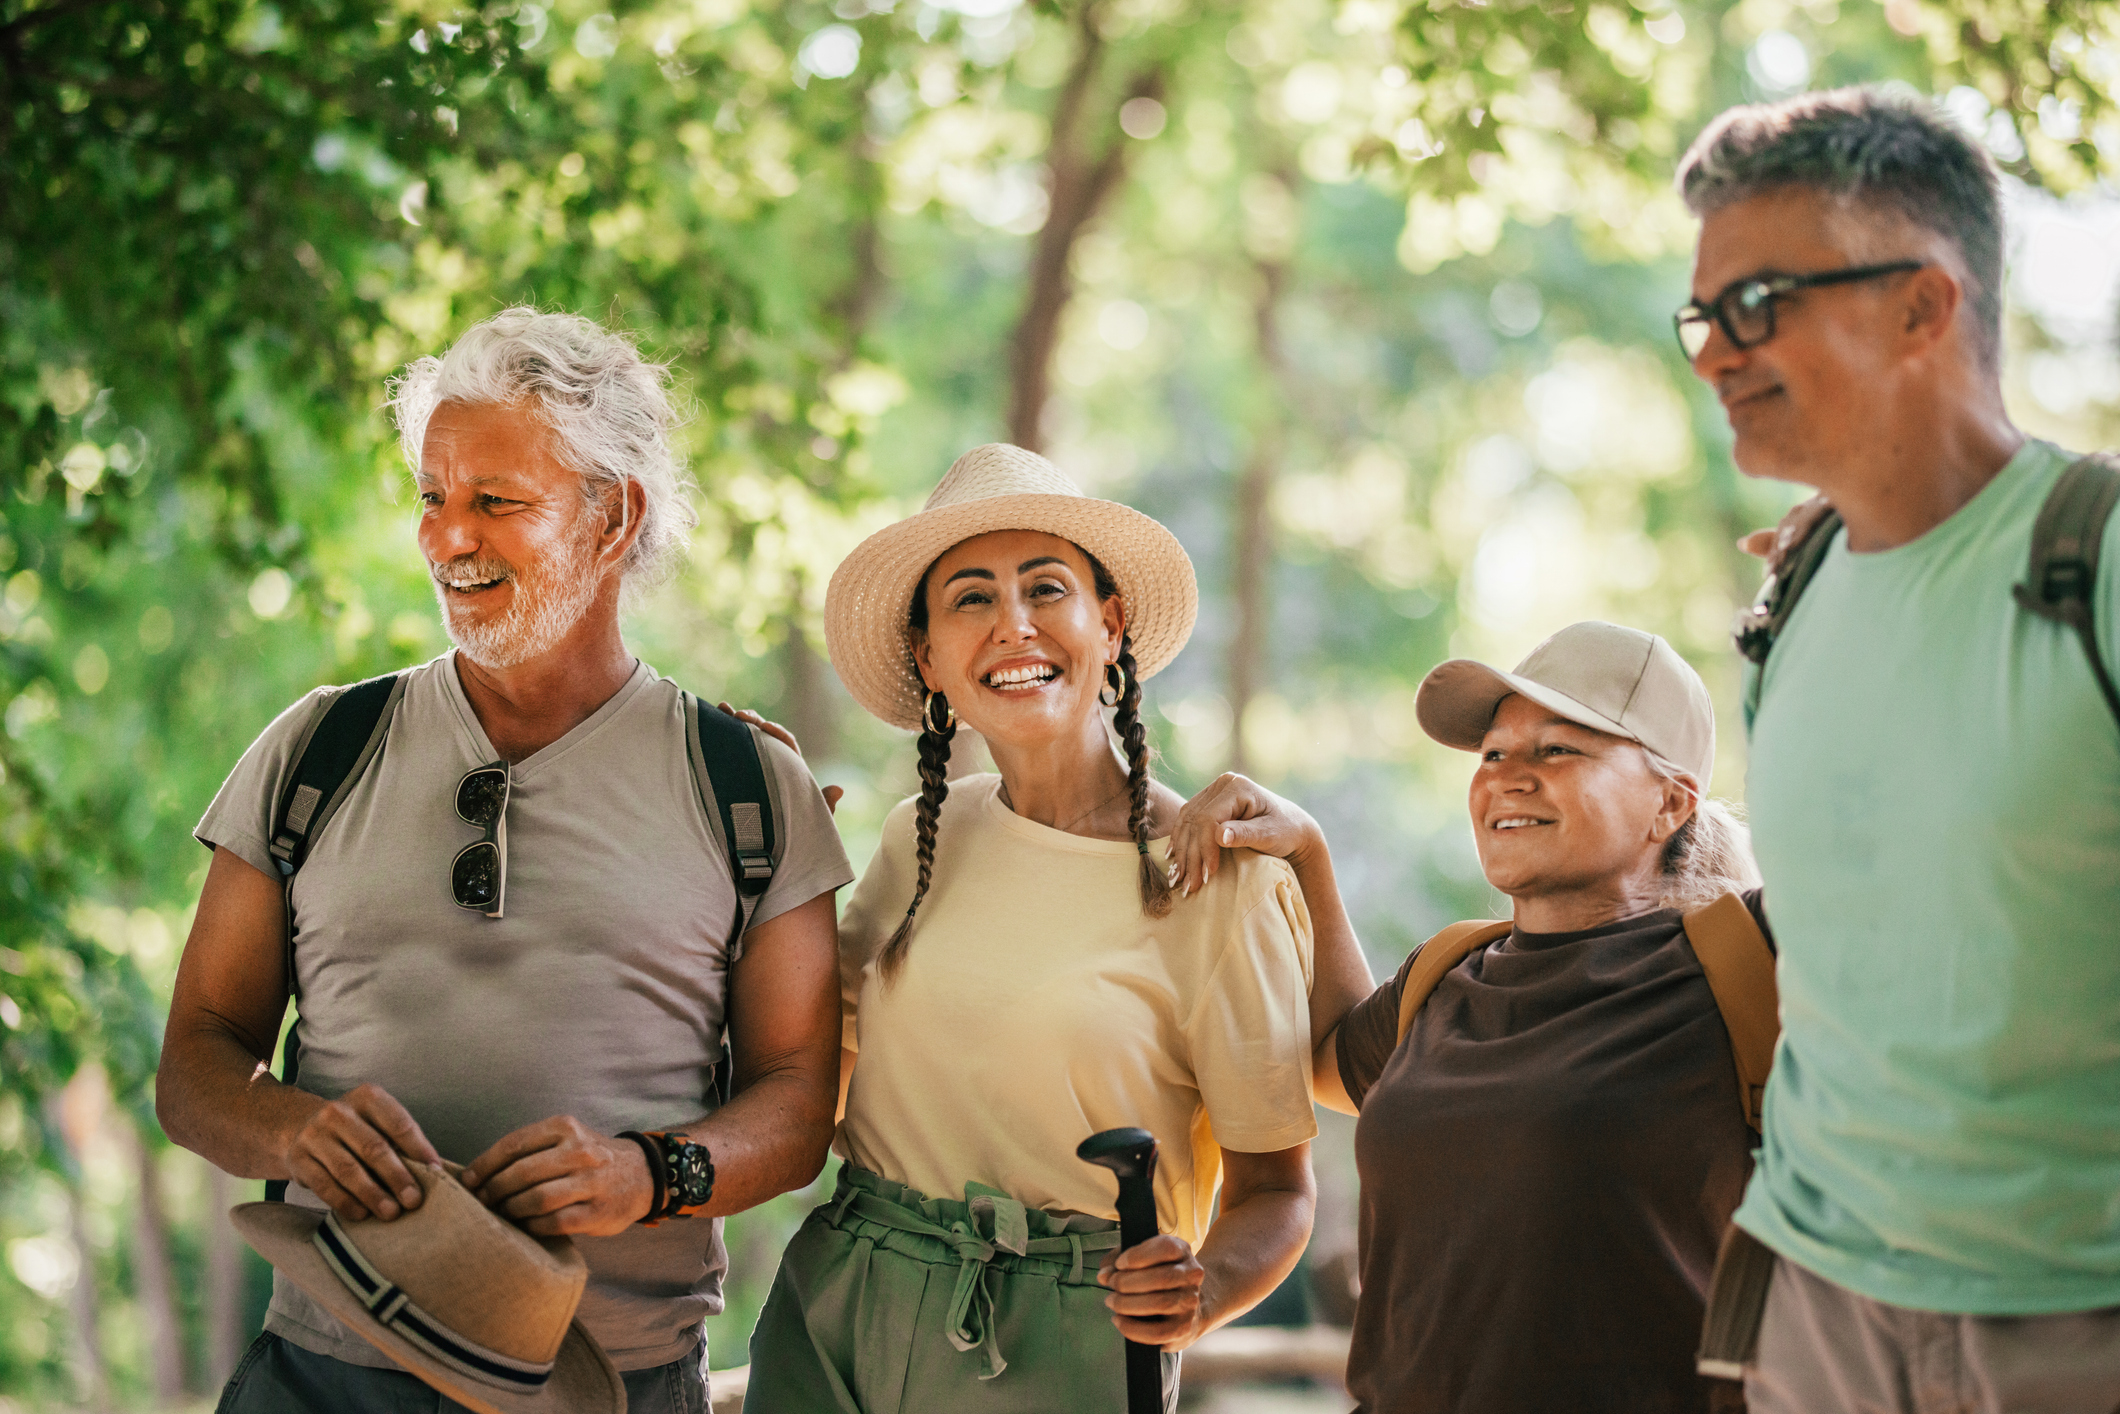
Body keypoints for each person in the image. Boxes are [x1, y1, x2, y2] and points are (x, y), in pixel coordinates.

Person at [157, 309, 854, 1413]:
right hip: (323, 1375)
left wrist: (650, 1174)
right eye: (433, 497)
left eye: (496, 501)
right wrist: (293, 1126)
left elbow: (799, 1103)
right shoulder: (316, 748)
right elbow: (195, 1061)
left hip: (612, 1381)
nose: (448, 538)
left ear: (612, 516)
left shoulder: (748, 786)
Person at [742, 443, 1373, 1413]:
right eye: (969, 598)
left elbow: (1276, 1193)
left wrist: (1198, 1291)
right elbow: (808, 1090)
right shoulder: (919, 836)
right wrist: (771, 882)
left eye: (1046, 588)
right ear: (928, 658)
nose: (1013, 625)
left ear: (1108, 624)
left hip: (1069, 1332)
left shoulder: (1212, 877)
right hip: (843, 1292)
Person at [1670, 87, 2120, 1411]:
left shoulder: (2094, 563)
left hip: (2073, 1328)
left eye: (1758, 305)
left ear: (1925, 305)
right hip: (1814, 1320)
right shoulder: (1790, 598)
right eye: (1702, 316)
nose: (1712, 354)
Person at [1168, 620, 1767, 1413]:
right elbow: (1330, 1060)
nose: (1508, 777)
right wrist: (1307, 852)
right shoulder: (1447, 974)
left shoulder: (1749, 957)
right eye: (1493, 754)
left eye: (1558, 750)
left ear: (1670, 802)